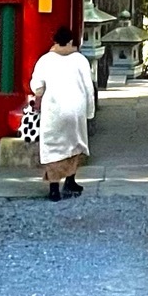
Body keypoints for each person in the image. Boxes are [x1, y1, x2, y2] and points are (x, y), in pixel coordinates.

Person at [28, 24, 96, 200]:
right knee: (74, 144)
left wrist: (39, 95)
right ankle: (71, 180)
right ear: (72, 41)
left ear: (55, 41)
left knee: (54, 147)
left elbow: (37, 86)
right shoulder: (80, 60)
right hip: (76, 109)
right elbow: (89, 88)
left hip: (54, 110)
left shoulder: (45, 60)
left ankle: (53, 188)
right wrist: (90, 111)